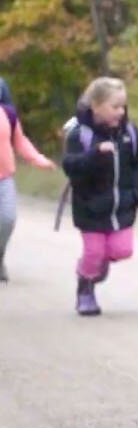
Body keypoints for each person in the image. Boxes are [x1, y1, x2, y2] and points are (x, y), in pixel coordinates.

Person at [60, 77, 138, 316]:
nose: (120, 112)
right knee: (93, 252)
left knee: (122, 250)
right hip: (90, 207)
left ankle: (96, 267)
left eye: (123, 106)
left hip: (122, 205)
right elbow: (70, 165)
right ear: (95, 105)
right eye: (115, 106)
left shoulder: (129, 132)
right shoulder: (80, 134)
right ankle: (85, 287)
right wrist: (94, 155)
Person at [0, 83, 57, 282]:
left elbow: (20, 141)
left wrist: (38, 159)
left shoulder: (7, 114)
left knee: (7, 220)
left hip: (3, 178)